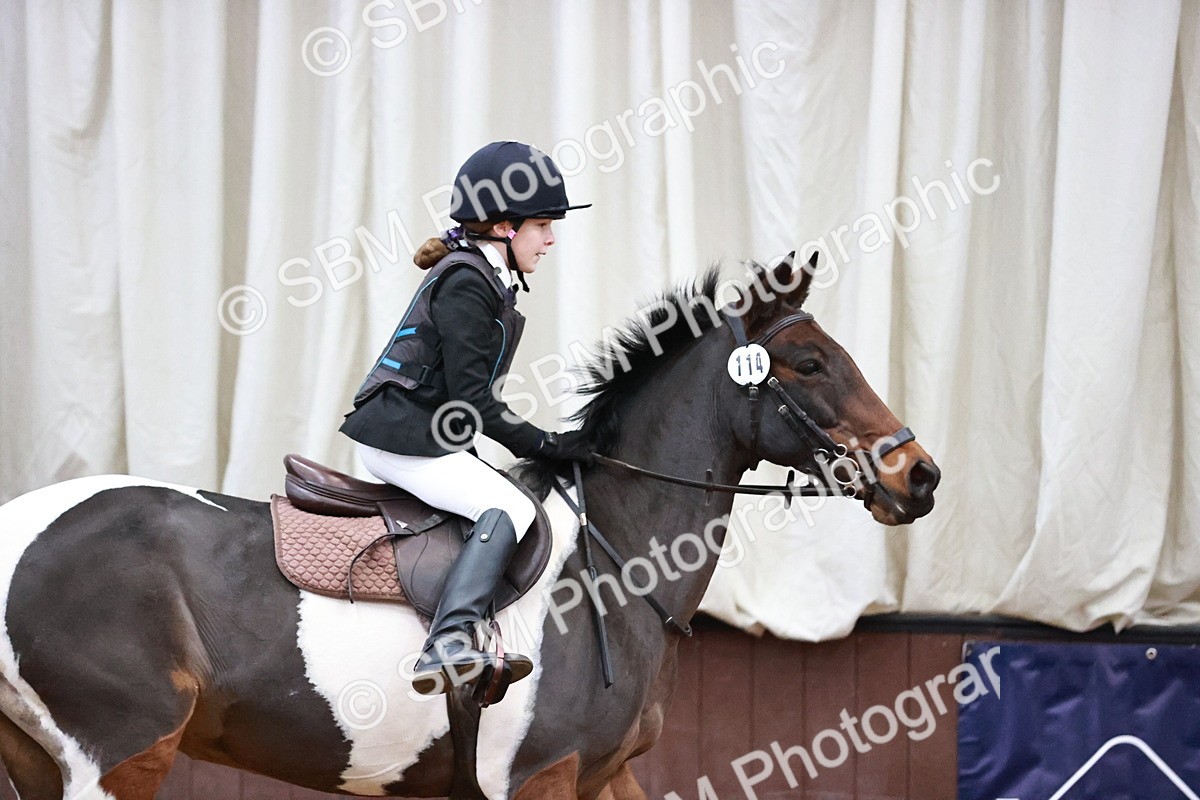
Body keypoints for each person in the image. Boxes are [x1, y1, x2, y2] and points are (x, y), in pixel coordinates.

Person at [339, 141, 592, 696]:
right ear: (504, 227)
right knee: (509, 507)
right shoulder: (467, 282)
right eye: (542, 226)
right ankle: (448, 642)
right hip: (401, 435)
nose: (550, 239)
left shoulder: (484, 277)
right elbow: (474, 402)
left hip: (424, 431)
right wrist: (547, 443)